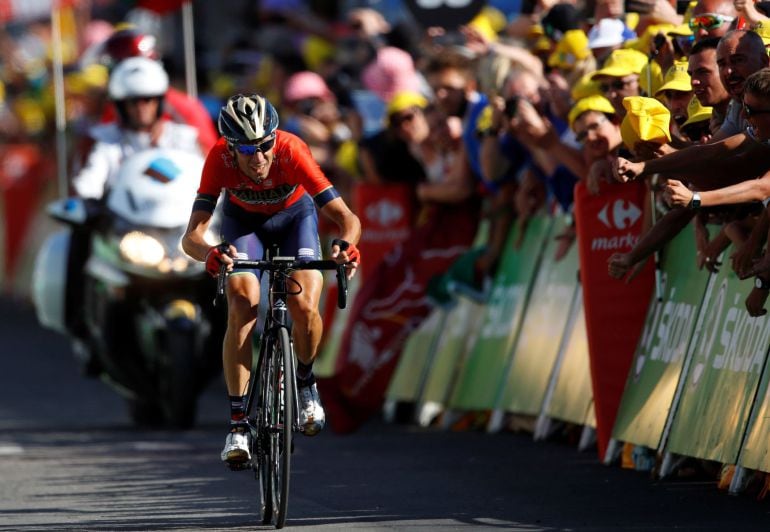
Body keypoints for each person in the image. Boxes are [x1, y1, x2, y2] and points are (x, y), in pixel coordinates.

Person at [181, 94, 361, 465]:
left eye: (265, 145)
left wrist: (346, 246)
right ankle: (238, 424)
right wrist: (210, 254)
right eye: (247, 149)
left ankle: (307, 383)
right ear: (231, 148)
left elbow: (347, 219)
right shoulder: (219, 159)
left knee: (303, 303)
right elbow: (192, 237)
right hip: (243, 225)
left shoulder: (292, 150)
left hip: (296, 220)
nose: (259, 157)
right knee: (242, 305)